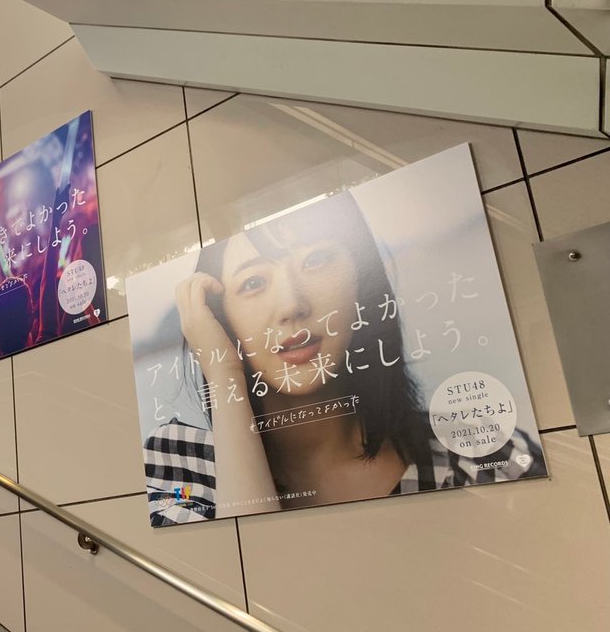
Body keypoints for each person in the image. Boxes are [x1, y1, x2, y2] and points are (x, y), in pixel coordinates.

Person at [145, 190, 544, 526]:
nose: (292, 304)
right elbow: (249, 566)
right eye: (253, 282)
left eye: (316, 260)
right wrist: (223, 371)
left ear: (362, 280)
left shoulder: (484, 455)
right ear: (220, 317)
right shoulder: (177, 466)